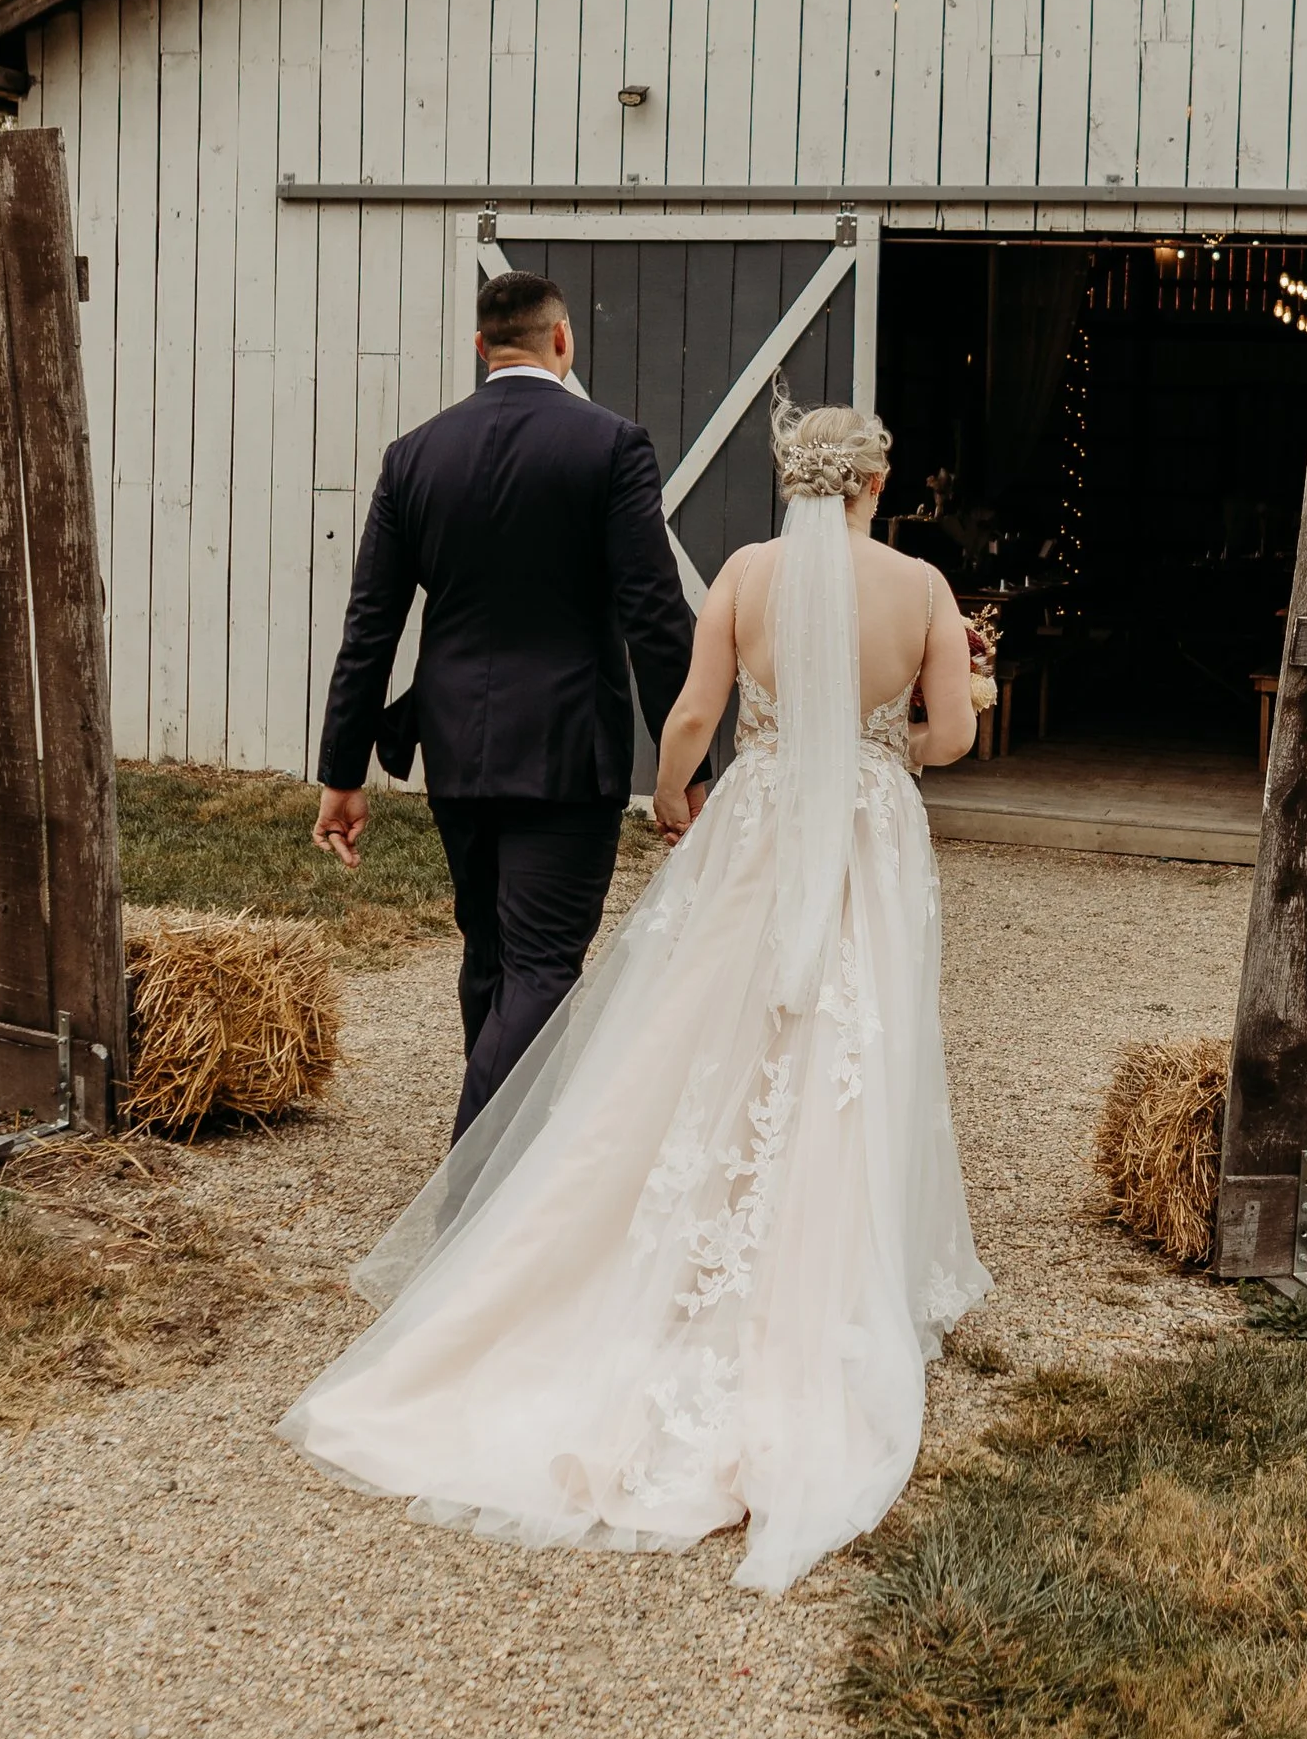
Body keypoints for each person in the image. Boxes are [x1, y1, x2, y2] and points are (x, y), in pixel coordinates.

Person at [279, 395, 990, 1596]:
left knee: (700, 1025)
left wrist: (673, 797)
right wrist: (877, 746)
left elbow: (695, 716)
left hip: (758, 819)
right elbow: (955, 737)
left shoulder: (745, 577)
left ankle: (635, 1249)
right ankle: (826, 1255)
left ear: (788, 481)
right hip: (866, 825)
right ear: (876, 481)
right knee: (847, 1028)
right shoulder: (921, 589)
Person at [310, 270, 694, 1139]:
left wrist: (343, 772)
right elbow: (656, 618)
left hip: (456, 748)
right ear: (563, 341)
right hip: (566, 752)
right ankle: (471, 1188)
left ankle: (504, 1154)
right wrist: (690, 765)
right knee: (544, 965)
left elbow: (370, 625)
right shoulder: (611, 446)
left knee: (491, 953)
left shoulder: (415, 454)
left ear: (481, 347)